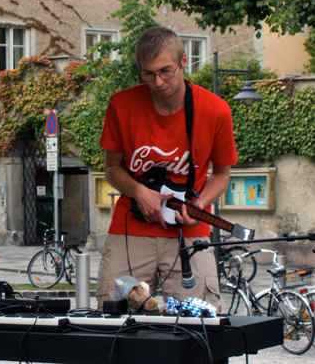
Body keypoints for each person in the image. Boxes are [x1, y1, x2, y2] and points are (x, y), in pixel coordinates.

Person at [97, 27, 238, 309]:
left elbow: (222, 174)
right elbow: (112, 168)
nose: (158, 82)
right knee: (114, 323)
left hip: (191, 233)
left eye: (166, 71)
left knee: (199, 327)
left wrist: (199, 205)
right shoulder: (121, 105)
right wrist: (139, 191)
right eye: (148, 74)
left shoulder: (216, 109)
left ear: (184, 61)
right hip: (131, 230)